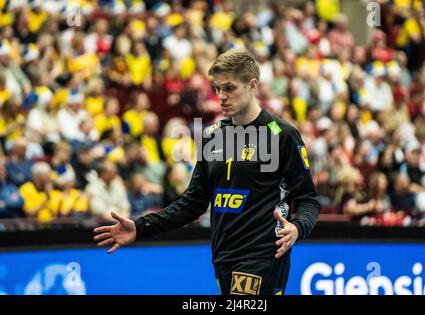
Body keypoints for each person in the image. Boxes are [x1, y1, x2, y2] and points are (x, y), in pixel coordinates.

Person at [93, 49, 320, 295]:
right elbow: (193, 202)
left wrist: (297, 228)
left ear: (252, 85)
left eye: (229, 88)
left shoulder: (282, 135)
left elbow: (308, 199)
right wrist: (142, 227)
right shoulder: (213, 136)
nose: (221, 96)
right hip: (223, 256)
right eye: (217, 89)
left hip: (264, 253)